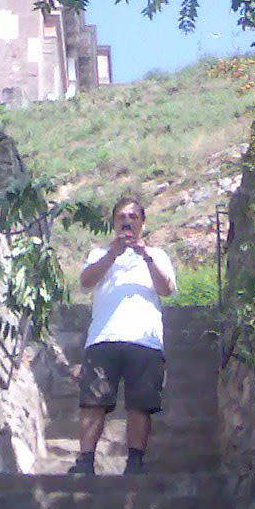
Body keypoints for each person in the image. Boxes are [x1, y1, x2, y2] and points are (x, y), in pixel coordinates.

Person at [70, 194, 176, 476]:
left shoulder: (158, 255)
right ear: (114, 223)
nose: (127, 222)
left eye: (133, 217)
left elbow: (166, 289)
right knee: (93, 401)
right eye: (121, 217)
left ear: (143, 223)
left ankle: (135, 464)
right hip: (103, 338)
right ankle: (85, 462)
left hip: (145, 340)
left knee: (140, 404)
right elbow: (85, 281)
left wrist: (145, 256)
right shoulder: (99, 254)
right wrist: (112, 255)